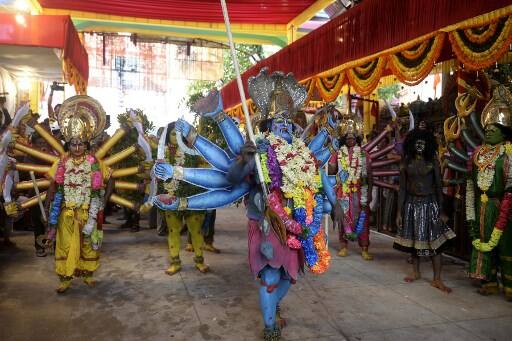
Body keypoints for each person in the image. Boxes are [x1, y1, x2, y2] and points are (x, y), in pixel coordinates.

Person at [152, 69, 336, 340]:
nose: (283, 127)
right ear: (267, 127)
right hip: (267, 225)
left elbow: (317, 181)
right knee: (272, 277)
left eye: (288, 123)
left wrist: (326, 203)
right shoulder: (259, 151)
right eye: (277, 123)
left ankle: (273, 308)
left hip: (297, 225)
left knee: (289, 277)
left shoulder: (303, 154)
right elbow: (230, 179)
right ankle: (270, 325)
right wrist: (244, 160)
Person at [394, 127, 455, 293]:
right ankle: (416, 272)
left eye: (423, 143)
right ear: (411, 144)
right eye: (416, 143)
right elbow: (402, 189)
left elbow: (438, 187)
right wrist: (399, 212)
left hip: (430, 204)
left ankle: (437, 279)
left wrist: (441, 211)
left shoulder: (433, 162)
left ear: (427, 145)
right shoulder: (406, 163)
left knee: (436, 244)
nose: (419, 146)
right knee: (414, 241)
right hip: (411, 204)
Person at [466, 85, 512, 300]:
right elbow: (469, 183)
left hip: (503, 204)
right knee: (485, 243)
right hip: (481, 204)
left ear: (504, 132)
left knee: (505, 245)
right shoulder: (478, 154)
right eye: (488, 128)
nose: (490, 130)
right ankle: (490, 281)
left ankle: (509, 286)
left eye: (495, 128)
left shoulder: (509, 153)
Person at [160, 122, 209, 275]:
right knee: (173, 230)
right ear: (168, 136)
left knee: (196, 231)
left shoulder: (193, 152)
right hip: (170, 197)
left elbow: (206, 169)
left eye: (179, 134)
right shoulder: (162, 155)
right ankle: (175, 262)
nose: (177, 138)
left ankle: (200, 261)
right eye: (173, 134)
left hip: (191, 197)